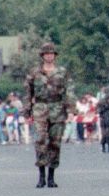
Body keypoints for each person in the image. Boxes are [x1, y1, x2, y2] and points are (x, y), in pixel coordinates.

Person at [25, 41, 73, 188]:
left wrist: (70, 110)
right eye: (46, 54)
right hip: (40, 108)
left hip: (57, 108)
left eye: (51, 53)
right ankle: (41, 176)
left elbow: (69, 91)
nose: (49, 56)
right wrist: (27, 111)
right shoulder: (34, 72)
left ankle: (51, 176)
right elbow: (28, 92)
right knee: (40, 140)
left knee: (55, 143)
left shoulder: (62, 72)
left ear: (55, 56)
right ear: (42, 56)